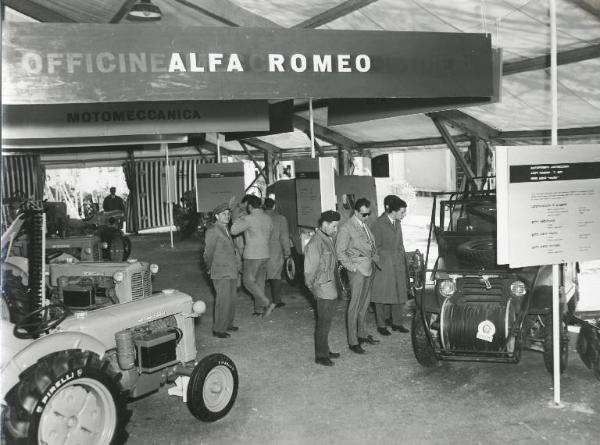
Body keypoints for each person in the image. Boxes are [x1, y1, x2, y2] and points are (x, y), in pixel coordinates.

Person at [336, 198, 380, 354]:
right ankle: (352, 341)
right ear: (355, 212)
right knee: (354, 306)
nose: (367, 217)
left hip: (369, 268)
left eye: (369, 214)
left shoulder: (364, 225)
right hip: (357, 270)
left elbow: (370, 246)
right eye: (364, 214)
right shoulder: (346, 228)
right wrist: (352, 268)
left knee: (365, 303)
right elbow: (340, 252)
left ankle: (362, 334)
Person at [304, 210, 342, 366]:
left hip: (330, 287)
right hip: (323, 289)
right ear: (325, 224)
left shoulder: (327, 238)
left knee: (326, 322)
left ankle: (325, 349)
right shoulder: (315, 243)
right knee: (323, 323)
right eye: (333, 226)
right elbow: (309, 272)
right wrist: (314, 290)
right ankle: (320, 355)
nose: (335, 229)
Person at [370, 195, 410, 336]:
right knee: (381, 296)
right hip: (384, 265)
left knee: (399, 293)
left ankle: (397, 323)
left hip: (397, 263)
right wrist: (383, 261)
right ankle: (381, 325)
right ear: (393, 211)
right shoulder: (378, 224)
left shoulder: (397, 223)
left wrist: (403, 260)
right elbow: (373, 247)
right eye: (402, 212)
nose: (404, 215)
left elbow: (400, 243)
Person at [231, 195, 275, 317]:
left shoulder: (248, 219)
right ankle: (259, 309)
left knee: (248, 282)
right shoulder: (268, 218)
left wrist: (238, 217)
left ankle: (266, 303)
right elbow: (270, 232)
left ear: (249, 206)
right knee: (259, 283)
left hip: (252, 255)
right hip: (265, 253)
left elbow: (233, 230)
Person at [203, 203, 240, 338]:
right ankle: (218, 329)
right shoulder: (212, 231)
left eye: (228, 214)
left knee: (231, 299)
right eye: (224, 214)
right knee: (223, 300)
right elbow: (208, 253)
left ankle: (228, 323)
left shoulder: (226, 229)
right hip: (220, 271)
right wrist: (209, 268)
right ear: (217, 216)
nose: (227, 216)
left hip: (231, 270)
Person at [264, 198, 291, 308]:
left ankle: (261, 301)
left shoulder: (261, 217)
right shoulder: (281, 219)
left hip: (261, 250)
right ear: (274, 206)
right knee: (276, 276)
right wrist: (287, 252)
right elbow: (284, 237)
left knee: (261, 277)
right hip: (275, 251)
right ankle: (276, 300)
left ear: (264, 206)